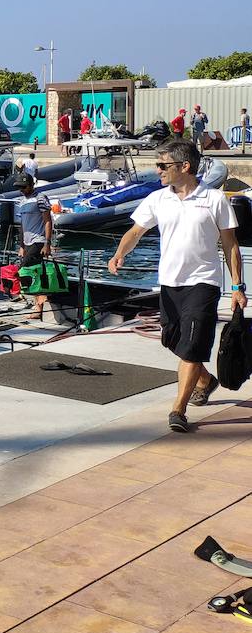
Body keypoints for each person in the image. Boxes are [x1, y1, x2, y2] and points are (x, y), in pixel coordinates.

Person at [108, 139, 245, 433]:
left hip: (204, 282)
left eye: (162, 165)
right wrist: (119, 254)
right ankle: (206, 381)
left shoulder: (214, 199)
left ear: (184, 166)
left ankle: (178, 410)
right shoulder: (158, 199)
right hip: (169, 283)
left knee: (193, 347)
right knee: (172, 340)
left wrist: (237, 286)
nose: (157, 170)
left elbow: (230, 245)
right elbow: (135, 231)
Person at [15, 174, 53, 320]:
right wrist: (22, 245)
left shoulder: (41, 198)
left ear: (31, 185)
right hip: (27, 242)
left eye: (24, 187)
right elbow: (22, 224)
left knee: (24, 270)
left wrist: (47, 243)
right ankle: (38, 302)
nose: (22, 190)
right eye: (20, 187)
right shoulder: (22, 201)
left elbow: (48, 221)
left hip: (39, 240)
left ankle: (40, 302)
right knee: (32, 273)